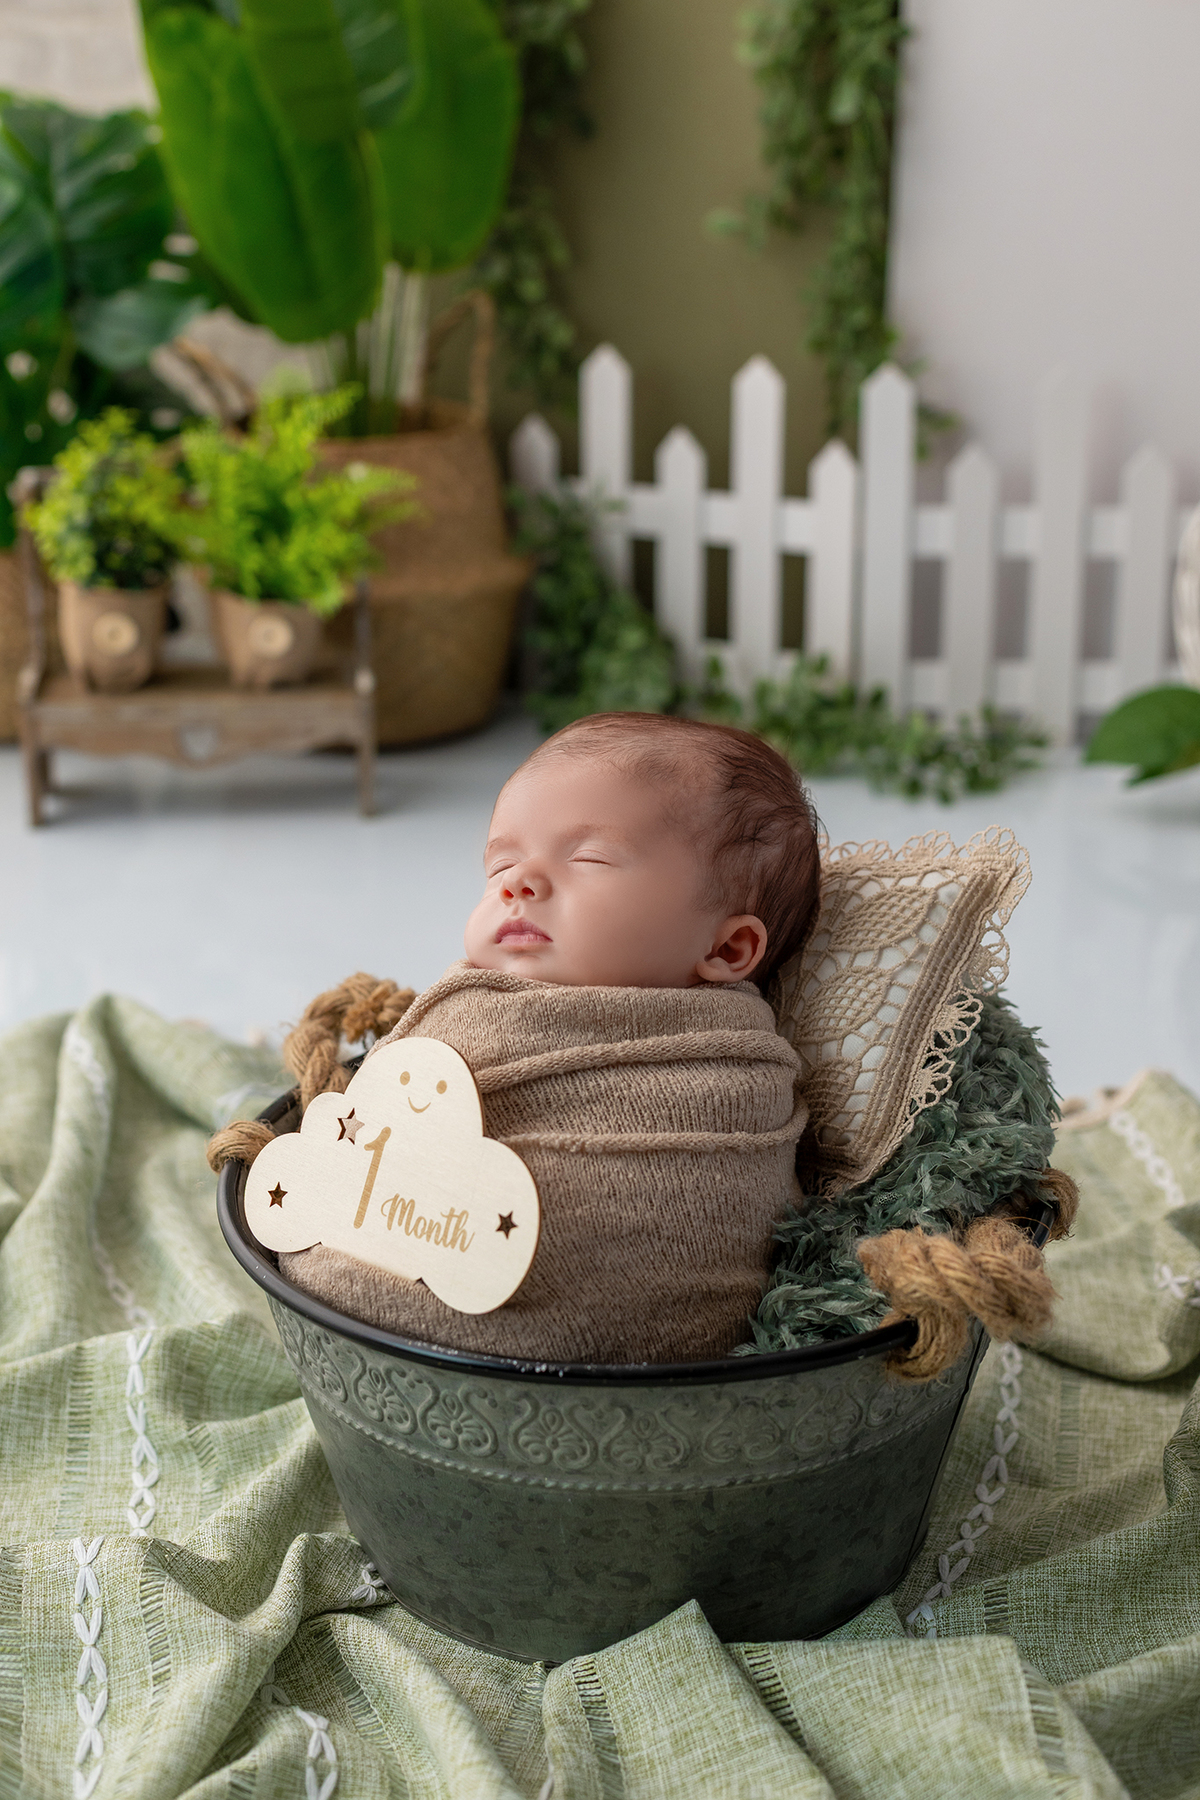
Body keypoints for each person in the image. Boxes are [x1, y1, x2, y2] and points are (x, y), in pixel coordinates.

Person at [281, 714, 823, 1363]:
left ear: (729, 947)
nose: (518, 884)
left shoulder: (727, 1068)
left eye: (588, 856)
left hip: (594, 1353)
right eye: (501, 863)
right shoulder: (475, 1009)